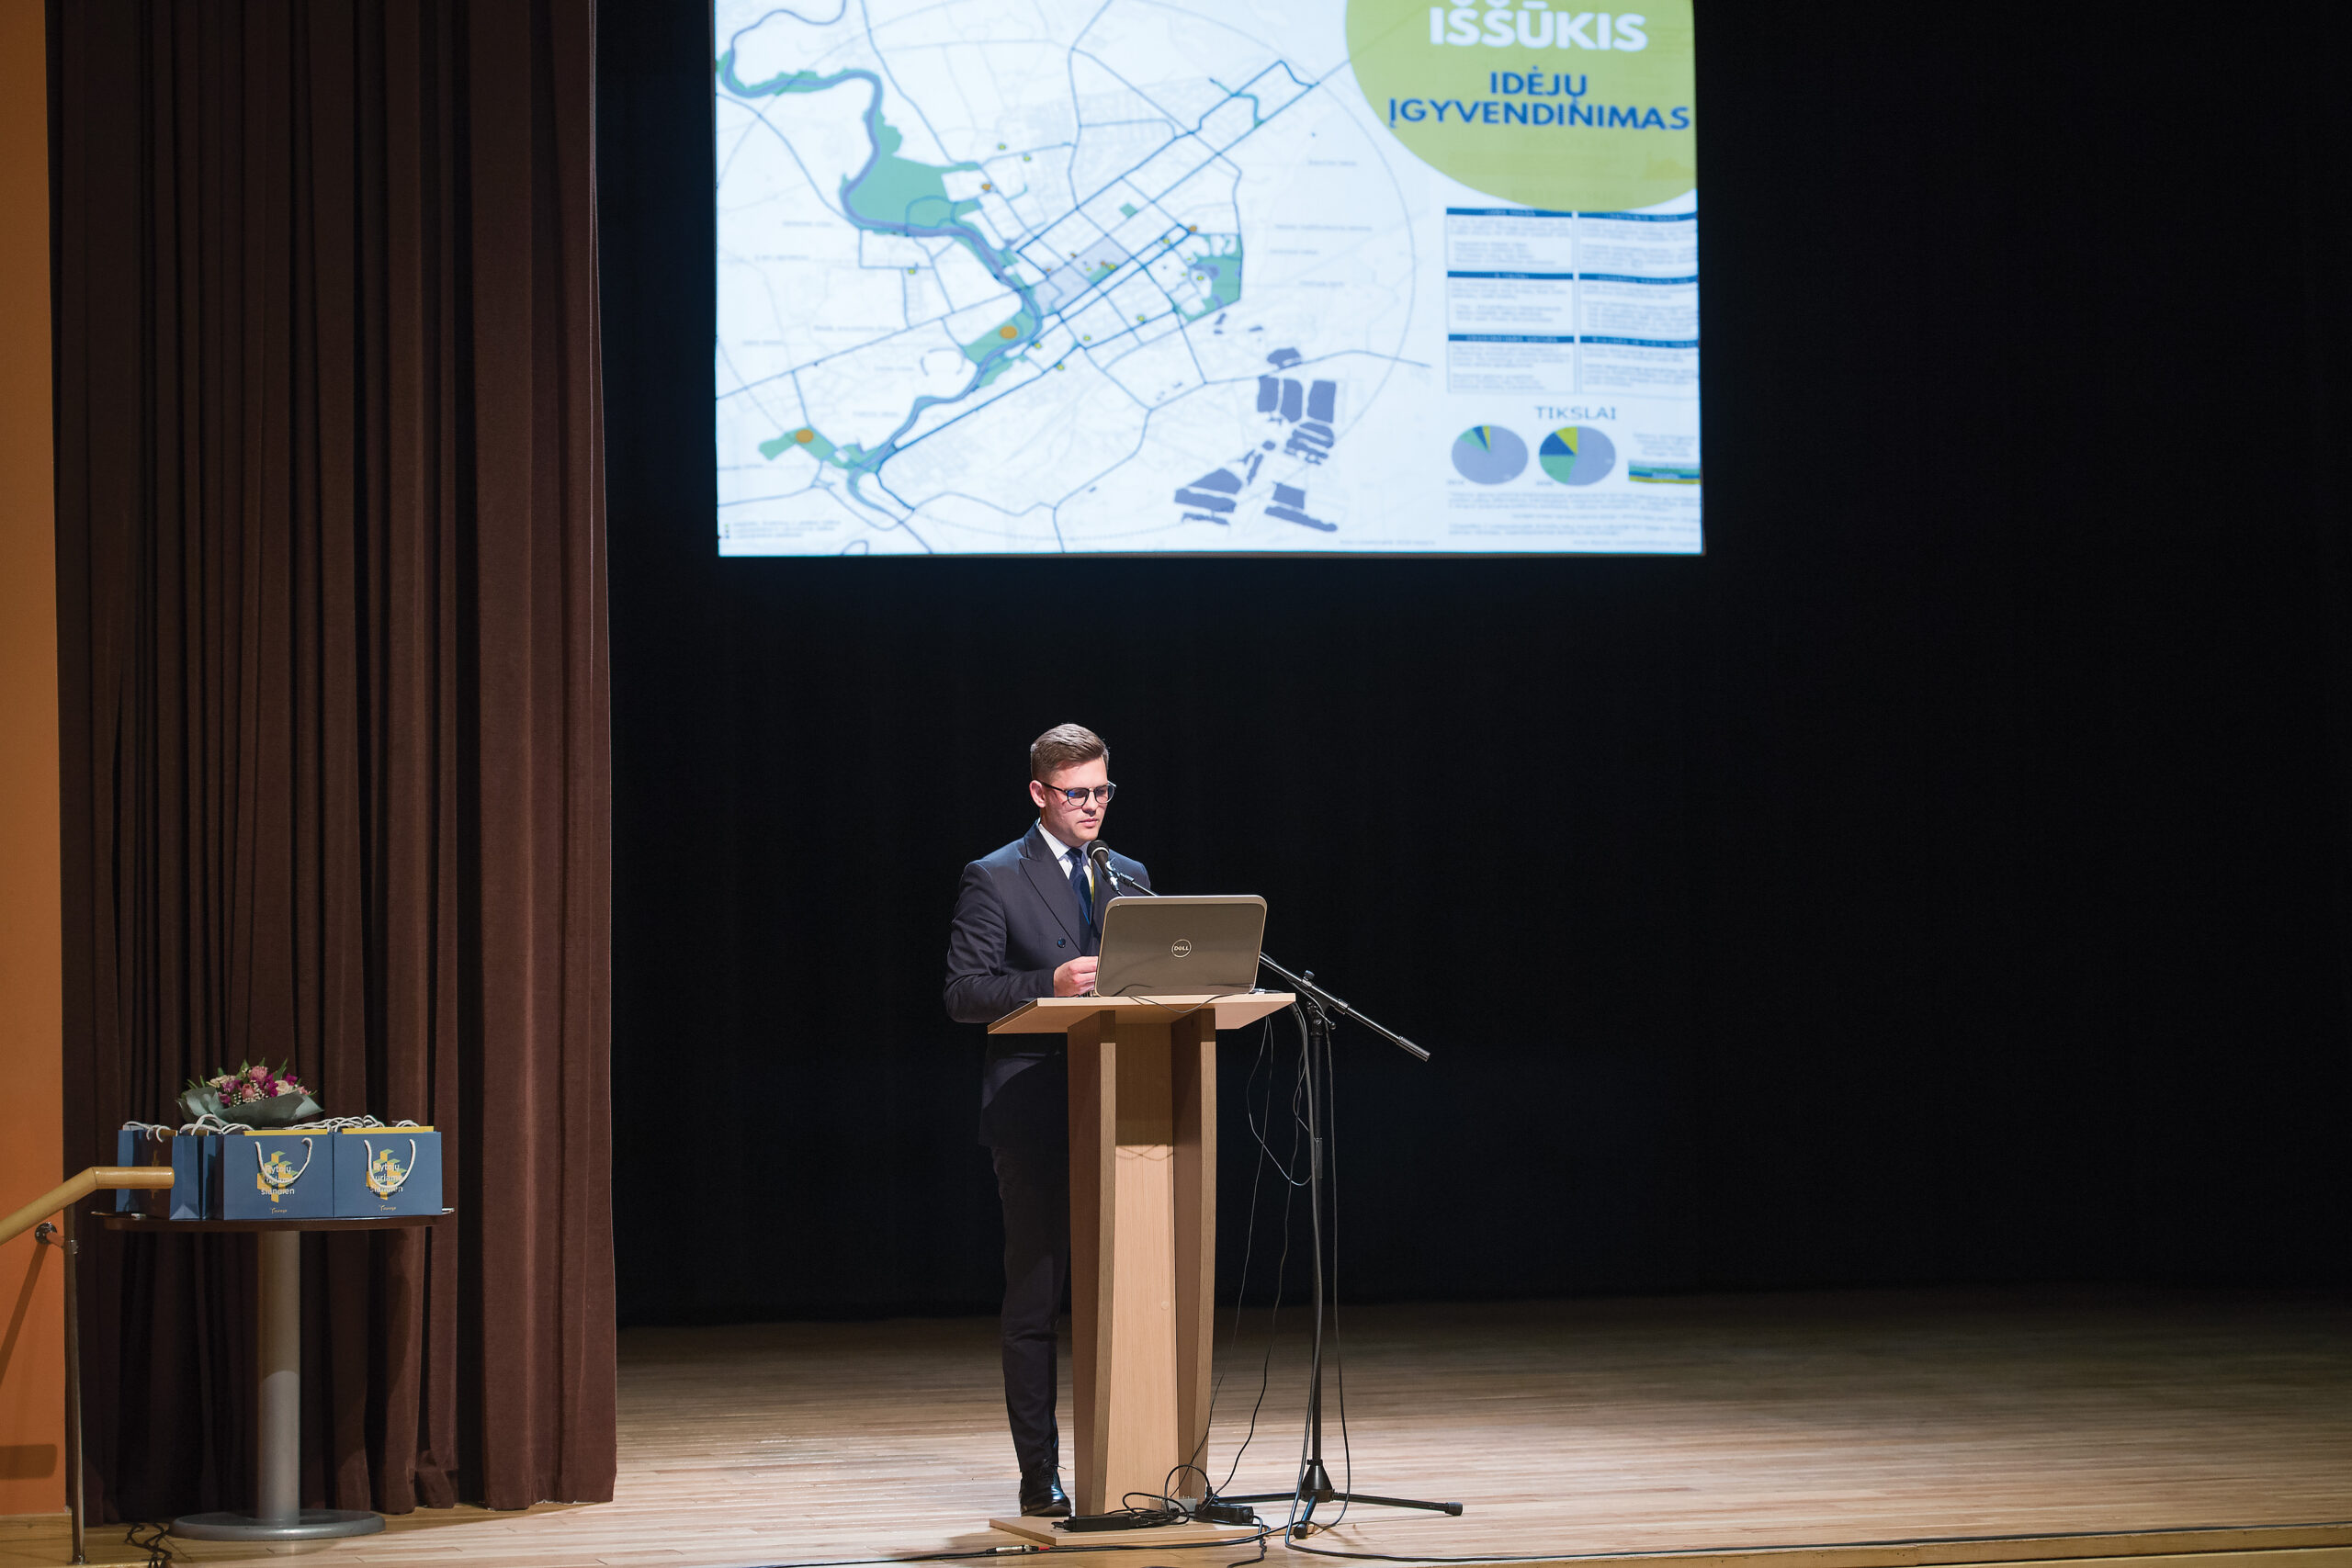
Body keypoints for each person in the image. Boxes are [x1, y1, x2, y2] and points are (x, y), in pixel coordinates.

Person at [944, 724, 1151, 1517]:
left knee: (1134, 1293)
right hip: (1034, 1114)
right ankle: (1040, 1473)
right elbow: (964, 992)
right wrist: (1048, 984)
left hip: (1125, 1107)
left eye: (1103, 791)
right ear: (1039, 793)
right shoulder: (995, 875)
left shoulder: (1128, 876)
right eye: (1076, 794)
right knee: (1036, 1300)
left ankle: (1138, 1456)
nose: (1092, 806)